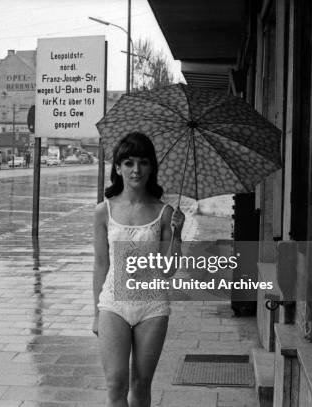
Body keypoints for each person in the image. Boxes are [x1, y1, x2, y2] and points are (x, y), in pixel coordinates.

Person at [93, 132, 185, 407]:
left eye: (143, 162)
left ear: (151, 167)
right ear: (118, 168)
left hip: (152, 306)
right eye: (129, 162)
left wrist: (177, 234)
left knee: (141, 385)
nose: (136, 170)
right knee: (115, 385)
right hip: (114, 304)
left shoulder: (165, 212)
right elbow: (100, 264)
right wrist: (95, 313)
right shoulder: (103, 211)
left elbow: (168, 270)